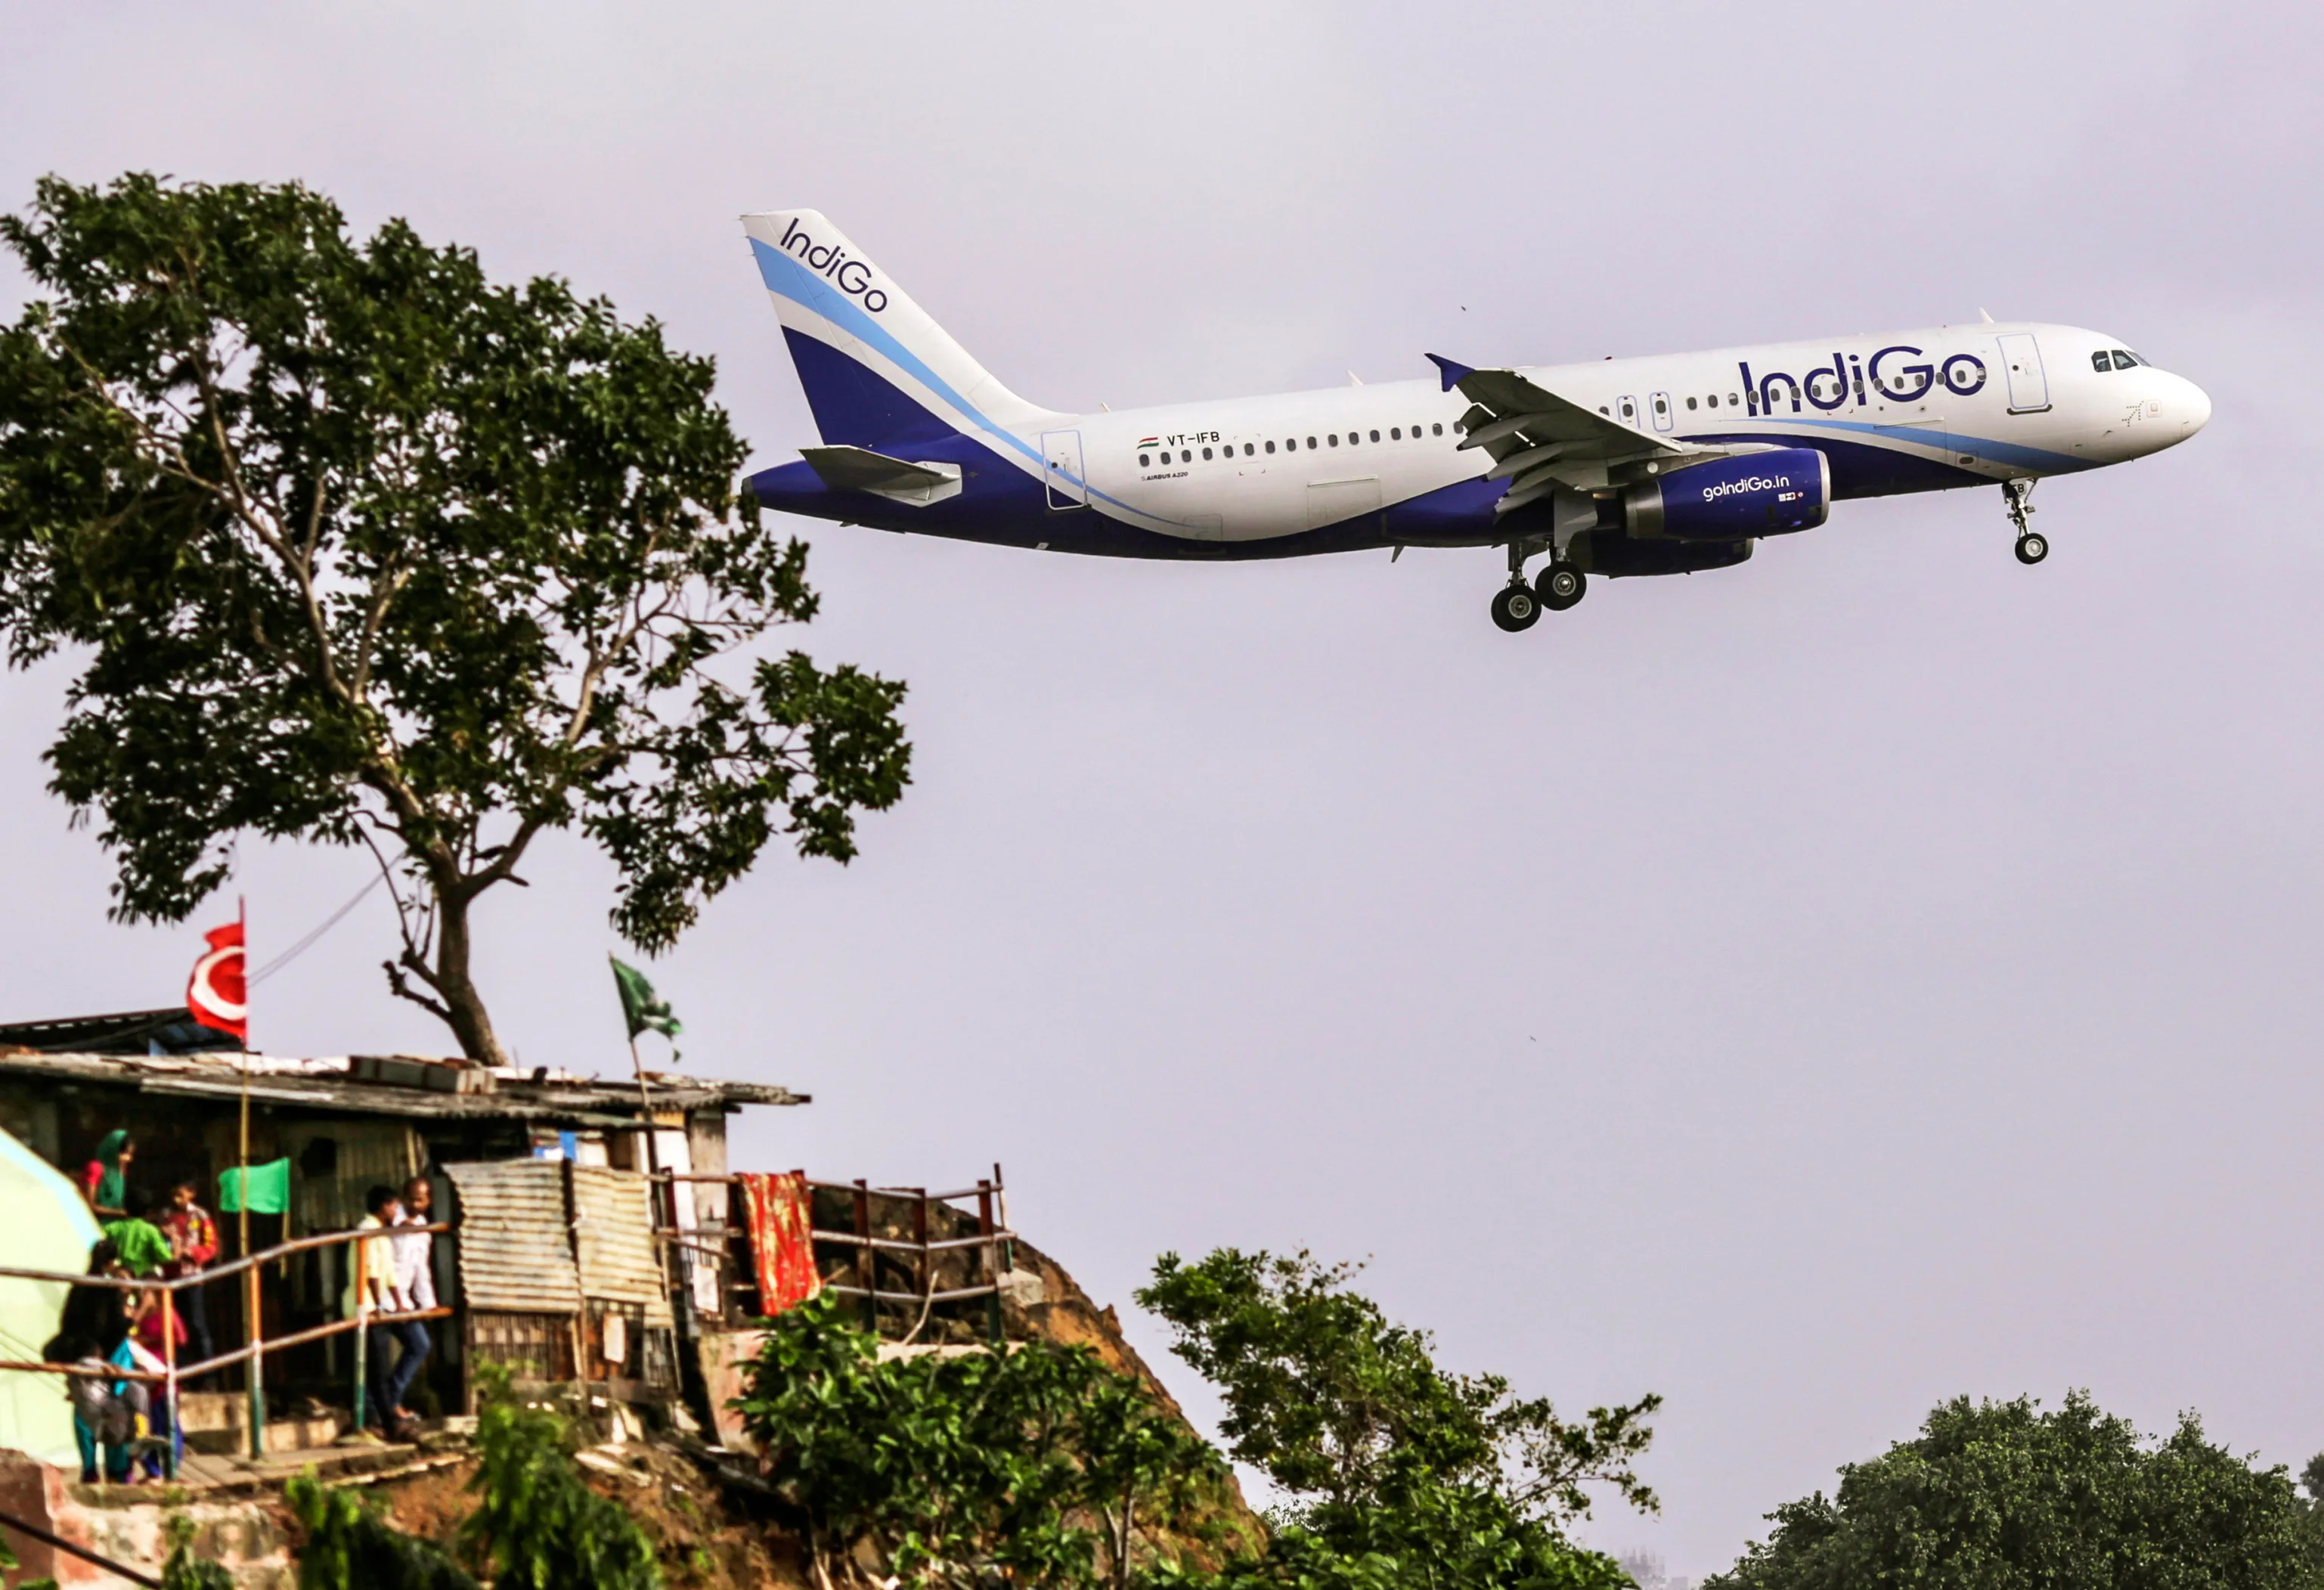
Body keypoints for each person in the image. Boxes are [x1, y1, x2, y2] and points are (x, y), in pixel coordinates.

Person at [342, 1184, 425, 1439]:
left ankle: (381, 1420)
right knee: (375, 1368)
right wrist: (379, 1304)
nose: (397, 1210)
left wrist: (399, 1302)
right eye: (394, 1205)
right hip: (365, 1305)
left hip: (376, 1305)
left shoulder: (382, 1232)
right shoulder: (368, 1231)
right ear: (384, 1207)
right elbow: (372, 1272)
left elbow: (388, 1272)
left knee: (376, 1366)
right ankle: (384, 1423)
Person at [387, 1174, 438, 1427]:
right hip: (382, 1299)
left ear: (428, 1201)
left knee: (420, 1344)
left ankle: (391, 1399)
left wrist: (428, 1305)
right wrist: (400, 1229)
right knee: (377, 1357)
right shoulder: (391, 1220)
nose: (415, 1204)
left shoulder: (424, 1228)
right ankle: (386, 1408)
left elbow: (421, 1270)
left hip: (403, 1300)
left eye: (420, 1200)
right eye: (411, 1199)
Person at [160, 1176, 220, 1381]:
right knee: (176, 1327)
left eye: (181, 1194)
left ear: (191, 1194)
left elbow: (211, 1245)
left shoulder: (201, 1215)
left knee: (197, 1325)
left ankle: (208, 1377)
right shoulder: (165, 1216)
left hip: (192, 1277)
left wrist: (192, 1253)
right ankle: (181, 1377)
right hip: (170, 1279)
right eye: (174, 1194)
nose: (177, 1199)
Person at [80, 1130, 134, 1220]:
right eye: (125, 1154)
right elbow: (90, 1205)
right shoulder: (96, 1168)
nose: (128, 1159)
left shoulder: (119, 1172)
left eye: (130, 1154)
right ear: (112, 1151)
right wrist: (118, 1213)